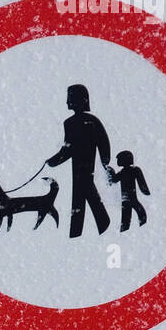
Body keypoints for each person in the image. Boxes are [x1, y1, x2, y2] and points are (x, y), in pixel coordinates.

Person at [46, 84, 112, 238]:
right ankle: (79, 232)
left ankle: (99, 225)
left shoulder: (71, 123)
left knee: (85, 196)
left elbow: (68, 149)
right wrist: (105, 161)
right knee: (82, 196)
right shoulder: (88, 121)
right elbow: (103, 144)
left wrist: (52, 162)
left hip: (81, 166)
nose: (67, 102)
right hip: (84, 167)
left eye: (69, 98)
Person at [108, 150, 150, 232]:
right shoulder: (124, 172)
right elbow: (114, 180)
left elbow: (141, 182)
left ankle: (141, 227)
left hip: (128, 197)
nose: (117, 161)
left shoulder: (133, 170)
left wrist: (145, 190)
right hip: (126, 198)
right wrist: (111, 171)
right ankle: (126, 230)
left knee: (134, 213)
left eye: (119, 159)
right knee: (127, 217)